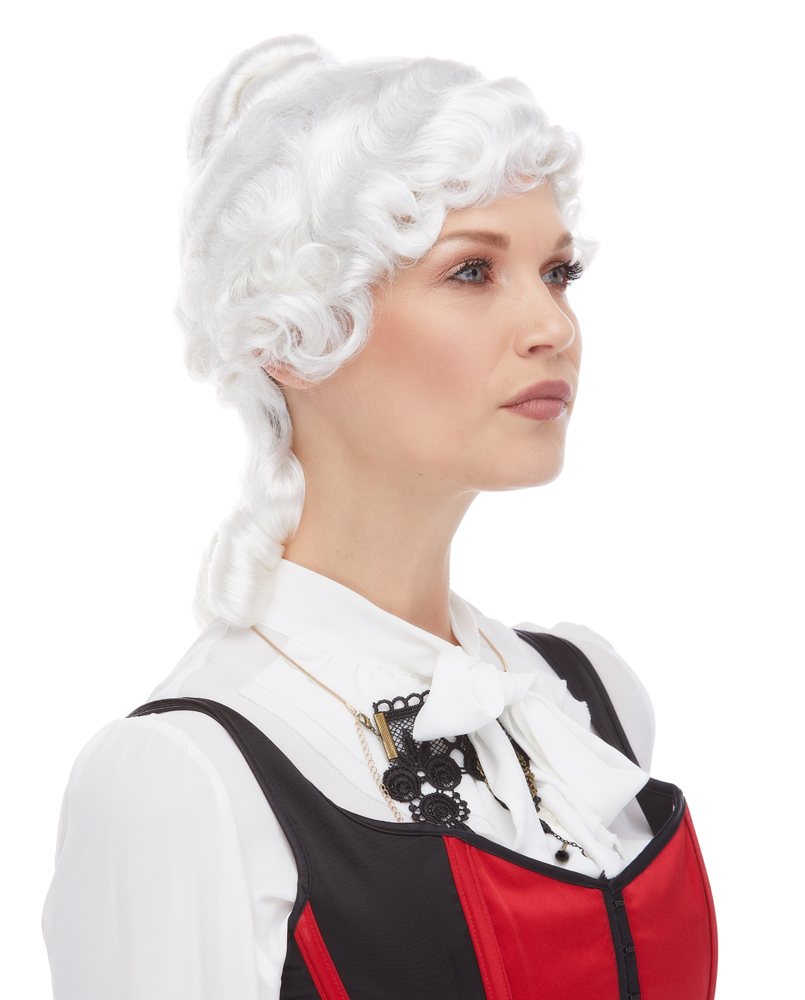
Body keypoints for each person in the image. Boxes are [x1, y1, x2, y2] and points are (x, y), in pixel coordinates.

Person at [42, 34, 717, 999]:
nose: (553, 327)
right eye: (472, 272)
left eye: (558, 272)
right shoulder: (182, 778)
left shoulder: (585, 695)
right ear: (293, 333)